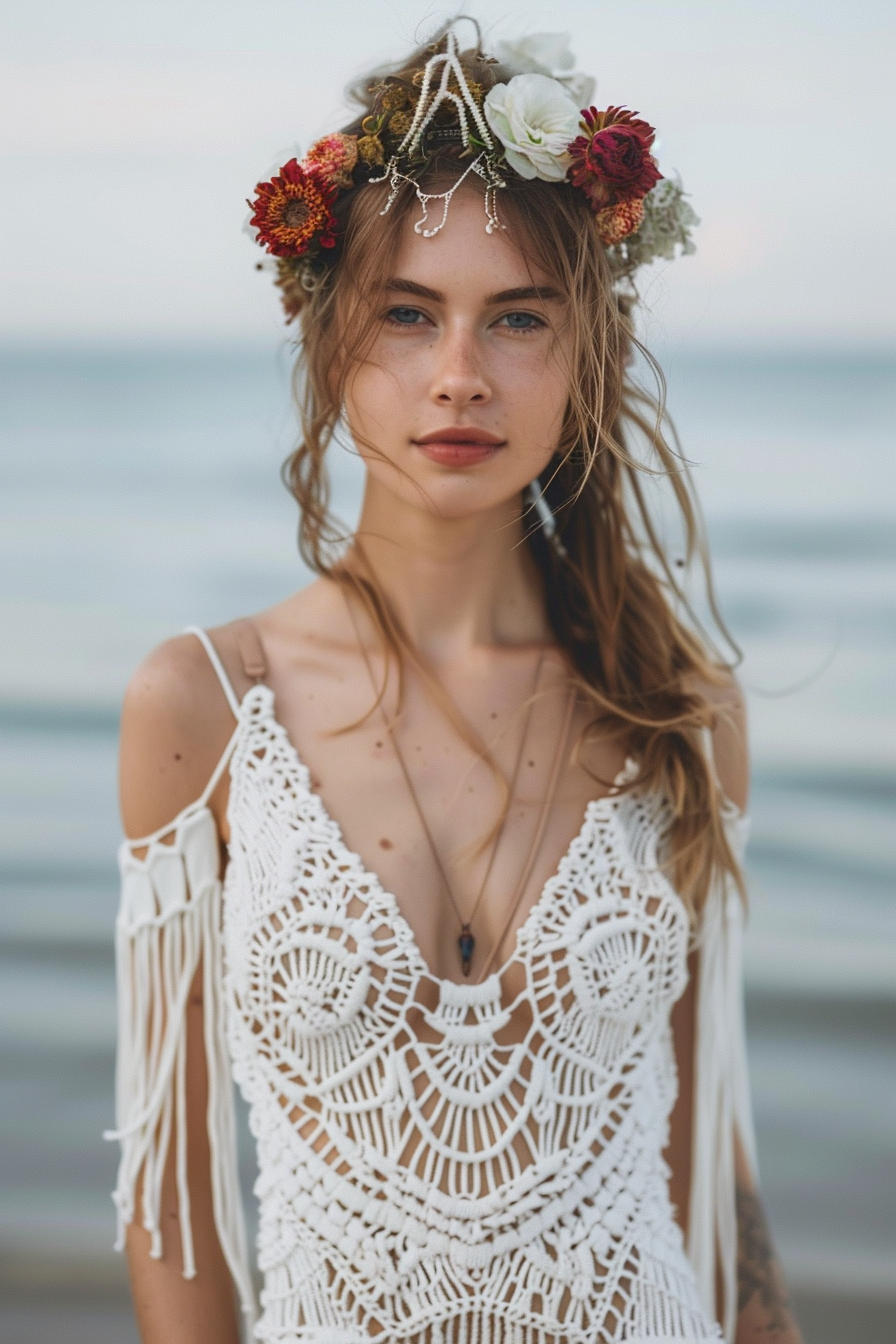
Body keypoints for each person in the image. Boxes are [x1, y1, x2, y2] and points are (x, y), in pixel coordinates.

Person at [107, 23, 803, 1344]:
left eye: (519, 317)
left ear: (586, 346)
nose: (460, 375)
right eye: (408, 314)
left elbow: (706, 1157)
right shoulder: (199, 703)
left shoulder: (682, 714)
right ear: (329, 346)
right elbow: (171, 1189)